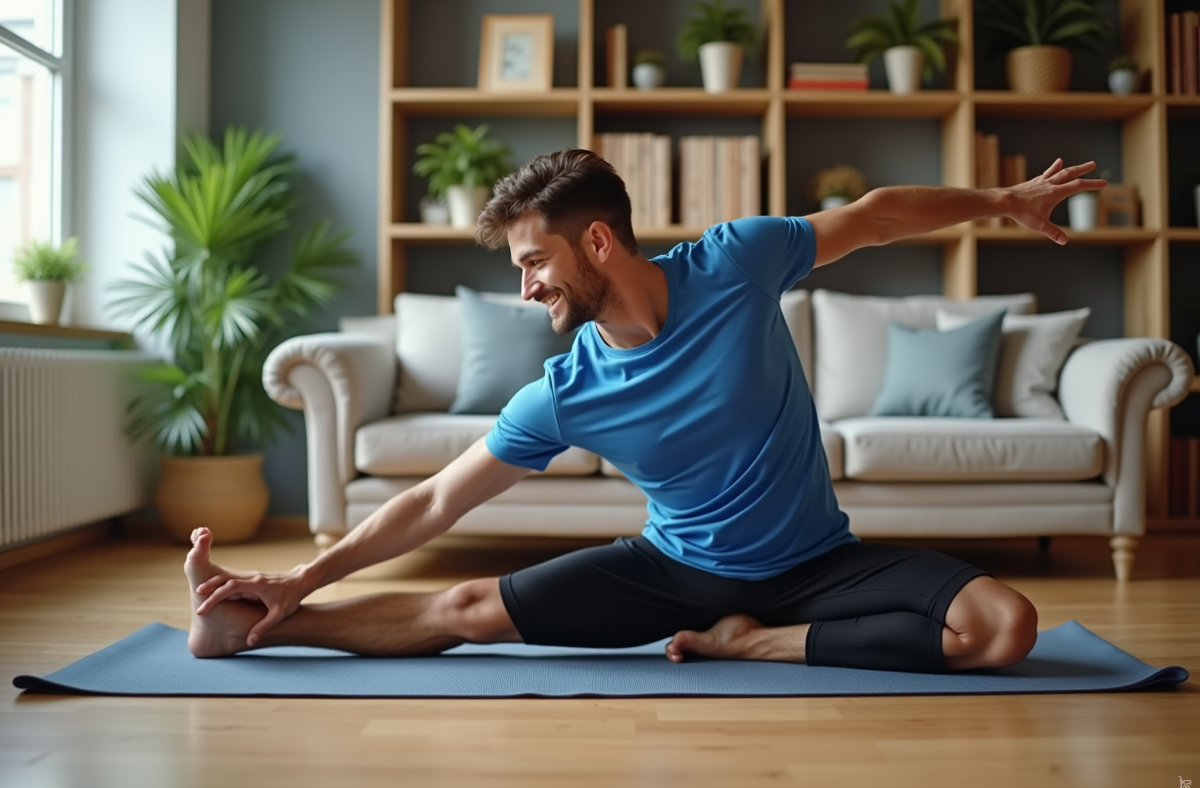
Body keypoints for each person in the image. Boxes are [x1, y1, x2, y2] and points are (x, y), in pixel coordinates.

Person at [184, 150, 1104, 673]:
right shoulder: (567, 391)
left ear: (597, 240)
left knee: (1004, 628)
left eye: (534, 262)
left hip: (821, 565)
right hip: (673, 572)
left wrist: (1002, 200)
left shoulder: (735, 264)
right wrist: (302, 581)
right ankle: (255, 625)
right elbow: (433, 505)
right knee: (462, 609)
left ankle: (754, 647)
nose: (526, 285)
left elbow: (875, 216)